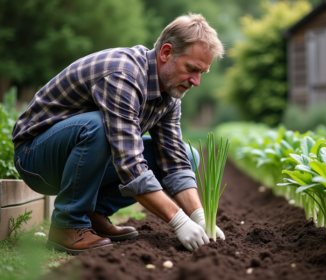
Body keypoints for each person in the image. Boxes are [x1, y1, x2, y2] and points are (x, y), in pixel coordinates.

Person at [12, 13, 225, 254]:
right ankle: (67, 224)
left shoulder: (169, 95)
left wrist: (198, 217)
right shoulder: (123, 75)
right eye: (192, 69)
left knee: (188, 156)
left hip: (81, 159)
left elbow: (174, 161)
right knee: (99, 126)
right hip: (37, 158)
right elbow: (130, 164)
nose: (195, 81)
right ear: (166, 53)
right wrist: (179, 221)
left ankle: (94, 212)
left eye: (201, 73)